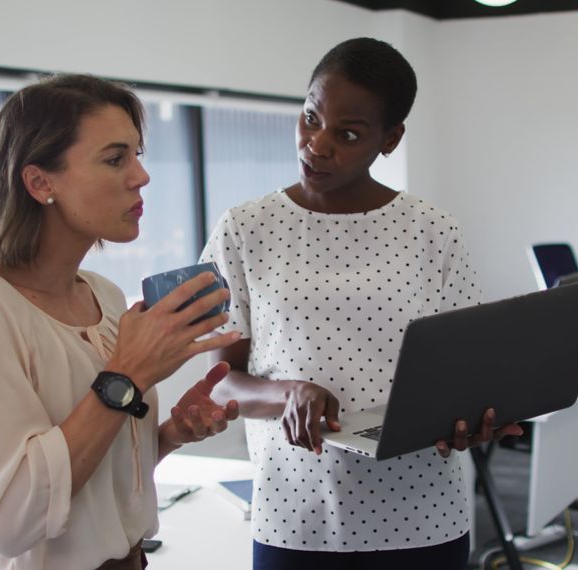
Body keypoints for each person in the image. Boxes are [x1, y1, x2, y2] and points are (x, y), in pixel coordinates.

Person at [199, 38, 523, 569]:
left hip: (423, 515)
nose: (317, 145)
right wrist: (288, 393)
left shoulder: (434, 232)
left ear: (390, 139)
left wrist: (475, 417)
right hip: (295, 515)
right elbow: (222, 385)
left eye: (347, 134)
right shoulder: (245, 228)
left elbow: (466, 373)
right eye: (309, 118)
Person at [0, 74, 242, 570]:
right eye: (115, 159)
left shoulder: (106, 297)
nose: (141, 176)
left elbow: (92, 483)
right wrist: (128, 376)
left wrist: (170, 434)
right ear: (39, 182)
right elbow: (11, 521)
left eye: (138, 154)